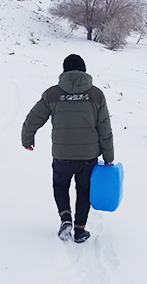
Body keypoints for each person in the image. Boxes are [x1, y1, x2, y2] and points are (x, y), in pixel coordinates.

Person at [21, 54, 114, 243]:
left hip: (62, 154)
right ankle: (80, 230)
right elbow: (105, 128)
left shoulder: (52, 94)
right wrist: (109, 155)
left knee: (60, 185)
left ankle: (65, 219)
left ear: (64, 71)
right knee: (84, 190)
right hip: (88, 156)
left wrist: (27, 139)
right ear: (84, 70)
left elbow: (33, 119)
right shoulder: (96, 94)